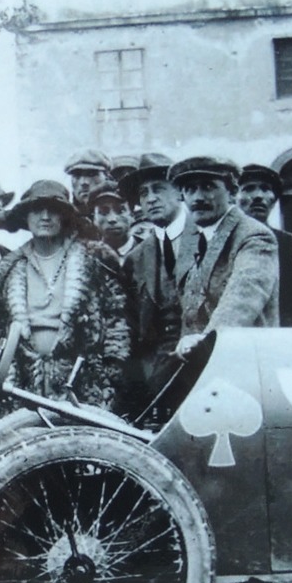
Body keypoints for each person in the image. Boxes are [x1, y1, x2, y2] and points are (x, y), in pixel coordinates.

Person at [0, 180, 130, 411]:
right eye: (37, 210)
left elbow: (116, 320)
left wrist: (110, 376)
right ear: (25, 217)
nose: (45, 217)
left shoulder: (92, 261)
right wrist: (5, 379)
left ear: (64, 216)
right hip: (24, 387)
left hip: (83, 384)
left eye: (53, 210)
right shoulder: (11, 269)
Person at [169, 156, 281, 355]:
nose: (197, 198)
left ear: (232, 192)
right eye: (190, 189)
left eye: (208, 187)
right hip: (206, 362)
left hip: (247, 359)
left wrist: (206, 340)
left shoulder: (254, 235)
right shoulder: (196, 237)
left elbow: (244, 297)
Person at [116, 152, 186, 398]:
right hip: (157, 371)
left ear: (179, 192)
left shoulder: (205, 241)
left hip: (203, 362)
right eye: (144, 193)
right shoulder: (137, 258)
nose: (151, 199)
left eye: (158, 189)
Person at [239, 163, 292, 326]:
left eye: (265, 188)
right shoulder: (220, 245)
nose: (258, 196)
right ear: (234, 197)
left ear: (274, 199)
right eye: (248, 188)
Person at [89, 183, 135, 257]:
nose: (112, 219)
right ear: (94, 218)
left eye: (120, 211)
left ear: (132, 214)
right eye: (103, 212)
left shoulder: (152, 251)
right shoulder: (90, 257)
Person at [64, 148, 113, 215]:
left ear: (107, 177)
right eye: (77, 175)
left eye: (92, 174)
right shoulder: (65, 218)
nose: (84, 182)